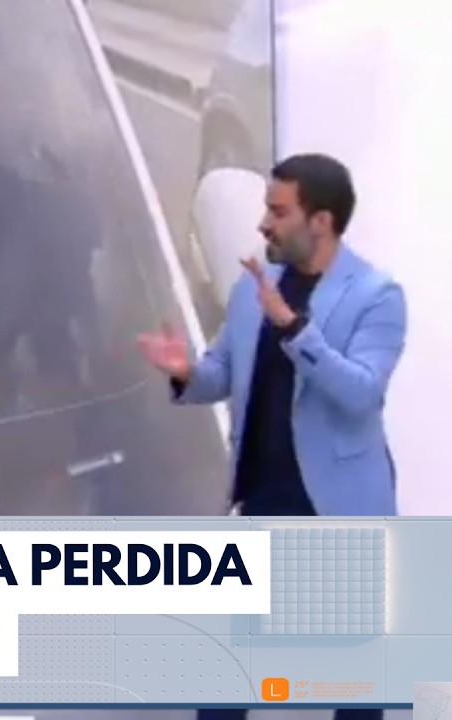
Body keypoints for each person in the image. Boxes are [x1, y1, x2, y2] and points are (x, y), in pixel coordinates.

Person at [138, 153, 407, 720]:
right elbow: (222, 372)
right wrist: (185, 372)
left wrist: (292, 326)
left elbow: (361, 393)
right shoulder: (253, 288)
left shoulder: (377, 295)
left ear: (321, 221)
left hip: (337, 507)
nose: (263, 224)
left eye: (278, 212)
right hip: (263, 499)